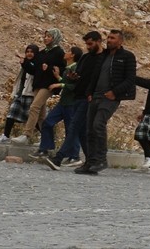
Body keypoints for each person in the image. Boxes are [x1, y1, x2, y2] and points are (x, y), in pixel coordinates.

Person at [76, 29, 136, 175]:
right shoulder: (102, 56)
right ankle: (90, 162)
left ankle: (101, 159)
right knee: (89, 130)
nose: (109, 40)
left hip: (110, 98)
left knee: (98, 124)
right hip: (95, 96)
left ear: (120, 41)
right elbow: (94, 75)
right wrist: (89, 93)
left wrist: (114, 92)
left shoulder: (127, 56)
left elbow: (130, 79)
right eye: (108, 38)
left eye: (113, 38)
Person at [43, 32, 103, 169]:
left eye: (91, 44)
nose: (88, 47)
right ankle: (92, 160)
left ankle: (58, 158)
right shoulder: (86, 58)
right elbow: (77, 77)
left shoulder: (104, 59)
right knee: (81, 131)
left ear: (99, 41)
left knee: (74, 127)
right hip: (77, 96)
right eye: (87, 44)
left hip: (89, 98)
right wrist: (72, 77)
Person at [14, 28, 65, 145]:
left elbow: (62, 69)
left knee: (34, 107)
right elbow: (33, 70)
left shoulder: (59, 52)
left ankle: (26, 135)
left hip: (48, 85)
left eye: (49, 36)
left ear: (55, 38)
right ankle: (47, 140)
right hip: (38, 84)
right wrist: (24, 63)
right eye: (45, 36)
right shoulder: (42, 53)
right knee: (41, 115)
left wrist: (50, 67)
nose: (46, 38)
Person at [36, 45, 82, 163]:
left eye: (68, 51)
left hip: (71, 104)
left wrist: (58, 85)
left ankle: (74, 156)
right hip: (63, 103)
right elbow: (67, 83)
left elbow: (75, 86)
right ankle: (46, 148)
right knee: (47, 122)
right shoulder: (68, 69)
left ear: (72, 55)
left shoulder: (76, 68)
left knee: (71, 130)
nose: (65, 53)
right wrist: (58, 77)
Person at [0, 44, 39, 144]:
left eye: (31, 52)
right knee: (11, 113)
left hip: (30, 94)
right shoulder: (26, 63)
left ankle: (46, 137)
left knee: (33, 118)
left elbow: (32, 70)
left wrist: (23, 61)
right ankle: (5, 136)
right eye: (27, 52)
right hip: (21, 93)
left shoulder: (36, 64)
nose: (29, 54)